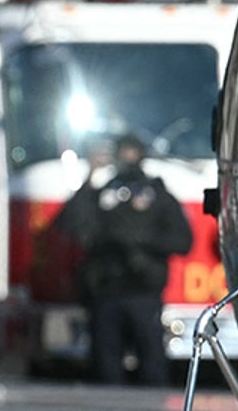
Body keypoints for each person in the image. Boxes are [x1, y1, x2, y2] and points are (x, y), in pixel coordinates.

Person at [55, 133, 192, 385]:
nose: (128, 159)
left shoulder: (157, 195)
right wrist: (89, 179)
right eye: (123, 153)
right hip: (107, 289)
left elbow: (183, 241)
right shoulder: (104, 194)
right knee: (106, 366)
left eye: (133, 153)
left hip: (143, 288)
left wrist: (142, 242)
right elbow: (68, 224)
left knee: (152, 364)